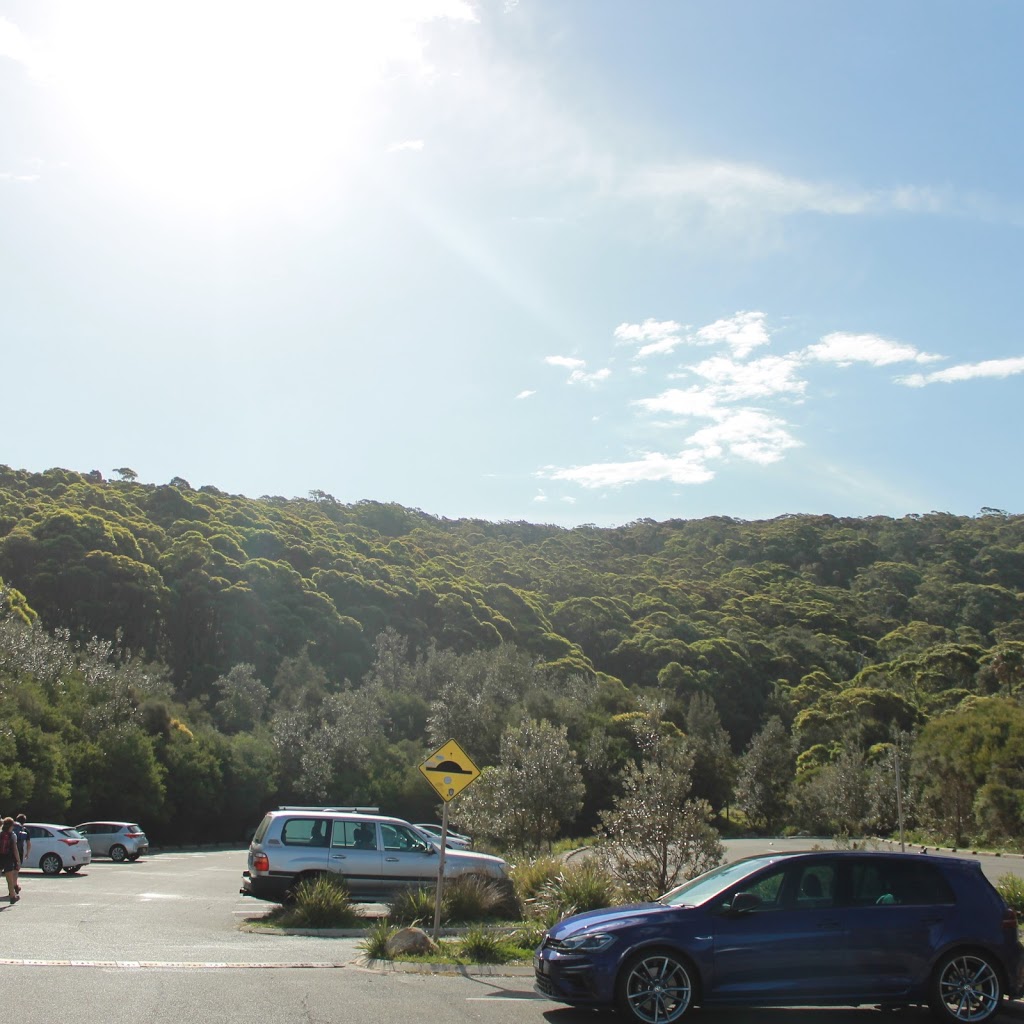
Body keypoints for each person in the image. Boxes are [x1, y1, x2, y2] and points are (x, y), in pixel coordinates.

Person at [0, 818, 20, 904]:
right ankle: (12, 896)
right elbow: (15, 849)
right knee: (9, 879)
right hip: (8, 858)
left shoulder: (0, 834)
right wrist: (18, 860)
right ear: (11, 826)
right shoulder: (12, 835)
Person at [13, 815, 29, 893]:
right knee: (16, 870)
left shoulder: (10, 828)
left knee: (9, 871)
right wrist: (27, 853)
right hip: (19, 851)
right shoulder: (24, 830)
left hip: (8, 852)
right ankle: (14, 885)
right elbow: (28, 843)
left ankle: (12, 886)